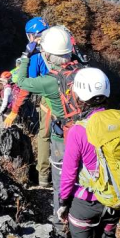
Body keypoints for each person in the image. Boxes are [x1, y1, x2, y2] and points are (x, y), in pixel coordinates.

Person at [57, 67, 120, 238]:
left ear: (78, 96)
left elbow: (68, 173)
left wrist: (63, 202)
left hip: (86, 203)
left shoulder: (79, 130)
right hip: (115, 199)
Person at [11, 25, 73, 188]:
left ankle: (44, 177)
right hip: (74, 110)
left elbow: (23, 84)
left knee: (45, 136)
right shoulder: (76, 68)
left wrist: (14, 109)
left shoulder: (38, 59)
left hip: (50, 101)